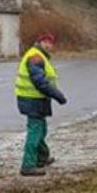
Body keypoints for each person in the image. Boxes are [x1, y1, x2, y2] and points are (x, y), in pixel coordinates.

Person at [14, 32, 67, 176]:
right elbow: (40, 82)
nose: (49, 45)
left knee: (41, 129)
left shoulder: (40, 56)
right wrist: (57, 95)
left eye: (51, 43)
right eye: (46, 42)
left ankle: (42, 157)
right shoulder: (35, 57)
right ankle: (28, 165)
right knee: (35, 132)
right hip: (32, 100)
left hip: (35, 100)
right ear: (40, 42)